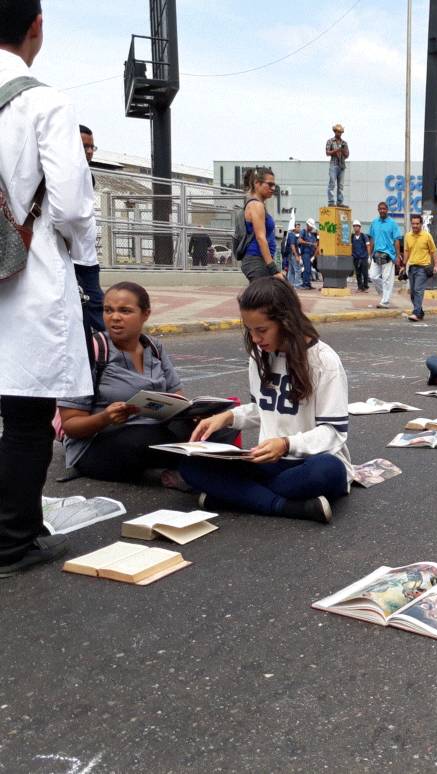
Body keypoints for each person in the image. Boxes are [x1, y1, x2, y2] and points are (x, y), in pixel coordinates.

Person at [0, 0, 97, 577]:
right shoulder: (44, 102)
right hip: (26, 271)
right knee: (27, 413)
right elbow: (69, 204)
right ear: (36, 26)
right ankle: (15, 541)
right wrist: (83, 264)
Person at [180, 278, 353, 522]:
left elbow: (333, 433)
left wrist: (285, 444)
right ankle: (286, 506)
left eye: (261, 330)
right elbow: (263, 409)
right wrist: (227, 417)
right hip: (266, 460)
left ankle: (234, 497)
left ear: (286, 321)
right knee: (191, 466)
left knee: (327, 471)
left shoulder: (324, 361)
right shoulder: (261, 356)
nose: (255, 338)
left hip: (310, 462)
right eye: (249, 330)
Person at [57, 283, 238, 483]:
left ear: (146, 314)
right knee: (144, 440)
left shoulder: (154, 347)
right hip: (102, 444)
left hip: (156, 432)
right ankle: (189, 470)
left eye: (125, 311)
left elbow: (177, 398)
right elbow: (71, 426)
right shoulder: (91, 351)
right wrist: (106, 417)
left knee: (214, 431)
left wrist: (197, 414)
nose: (115, 317)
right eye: (108, 310)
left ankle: (187, 469)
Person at [75, 123, 104, 332]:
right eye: (84, 146)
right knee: (83, 314)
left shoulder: (87, 175)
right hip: (70, 258)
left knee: (96, 309)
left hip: (87, 258)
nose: (89, 151)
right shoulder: (61, 174)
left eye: (92, 147)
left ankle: (110, 358)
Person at [240, 167, 285, 283]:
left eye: (274, 185)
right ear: (257, 184)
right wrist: (273, 269)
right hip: (256, 261)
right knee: (266, 298)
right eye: (269, 184)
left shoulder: (259, 205)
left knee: (266, 299)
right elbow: (260, 238)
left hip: (261, 261)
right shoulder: (256, 205)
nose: (273, 188)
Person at [401, 213, 437, 321]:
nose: (415, 226)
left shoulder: (427, 236)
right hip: (411, 267)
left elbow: (433, 251)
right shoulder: (408, 236)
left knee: (418, 290)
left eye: (417, 223)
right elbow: (406, 251)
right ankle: (420, 312)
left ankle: (416, 313)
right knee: (412, 292)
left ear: (421, 224)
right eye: (413, 224)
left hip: (423, 268)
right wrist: (404, 266)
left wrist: (435, 265)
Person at [368, 201, 402, 309]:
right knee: (372, 276)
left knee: (387, 279)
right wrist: (370, 255)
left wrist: (397, 256)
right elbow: (372, 239)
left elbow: (397, 240)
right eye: (380, 209)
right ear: (378, 210)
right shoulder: (374, 223)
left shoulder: (392, 223)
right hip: (376, 254)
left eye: (384, 209)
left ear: (387, 210)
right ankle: (385, 294)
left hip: (389, 255)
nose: (382, 210)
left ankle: (385, 301)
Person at [325, 123, 348, 206]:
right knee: (332, 184)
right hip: (333, 165)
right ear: (335, 131)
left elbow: (347, 155)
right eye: (337, 131)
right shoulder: (330, 141)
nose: (339, 133)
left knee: (341, 185)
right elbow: (327, 153)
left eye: (340, 132)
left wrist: (343, 150)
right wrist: (337, 150)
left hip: (342, 165)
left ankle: (340, 202)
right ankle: (331, 202)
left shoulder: (344, 143)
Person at [296, 218, 319, 289]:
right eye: (311, 226)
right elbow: (299, 240)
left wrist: (314, 256)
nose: (312, 228)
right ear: (307, 225)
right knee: (307, 269)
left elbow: (315, 244)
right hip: (305, 253)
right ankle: (305, 284)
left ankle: (308, 284)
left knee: (309, 269)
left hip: (310, 254)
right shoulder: (303, 232)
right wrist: (310, 243)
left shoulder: (312, 235)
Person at [351, 220, 371, 293]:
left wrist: (369, 256)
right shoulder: (352, 236)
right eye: (354, 226)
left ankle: (365, 287)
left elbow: (368, 246)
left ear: (360, 227)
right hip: (356, 258)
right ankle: (360, 287)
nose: (356, 227)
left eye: (357, 226)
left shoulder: (364, 236)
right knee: (358, 273)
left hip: (363, 258)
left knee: (365, 273)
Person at [283, 222, 302, 287]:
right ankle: (297, 284)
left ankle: (289, 284)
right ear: (294, 228)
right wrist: (296, 256)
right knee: (298, 270)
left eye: (299, 227)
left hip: (290, 255)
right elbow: (292, 245)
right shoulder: (292, 235)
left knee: (291, 270)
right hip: (293, 255)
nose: (299, 228)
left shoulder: (290, 235)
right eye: (298, 227)